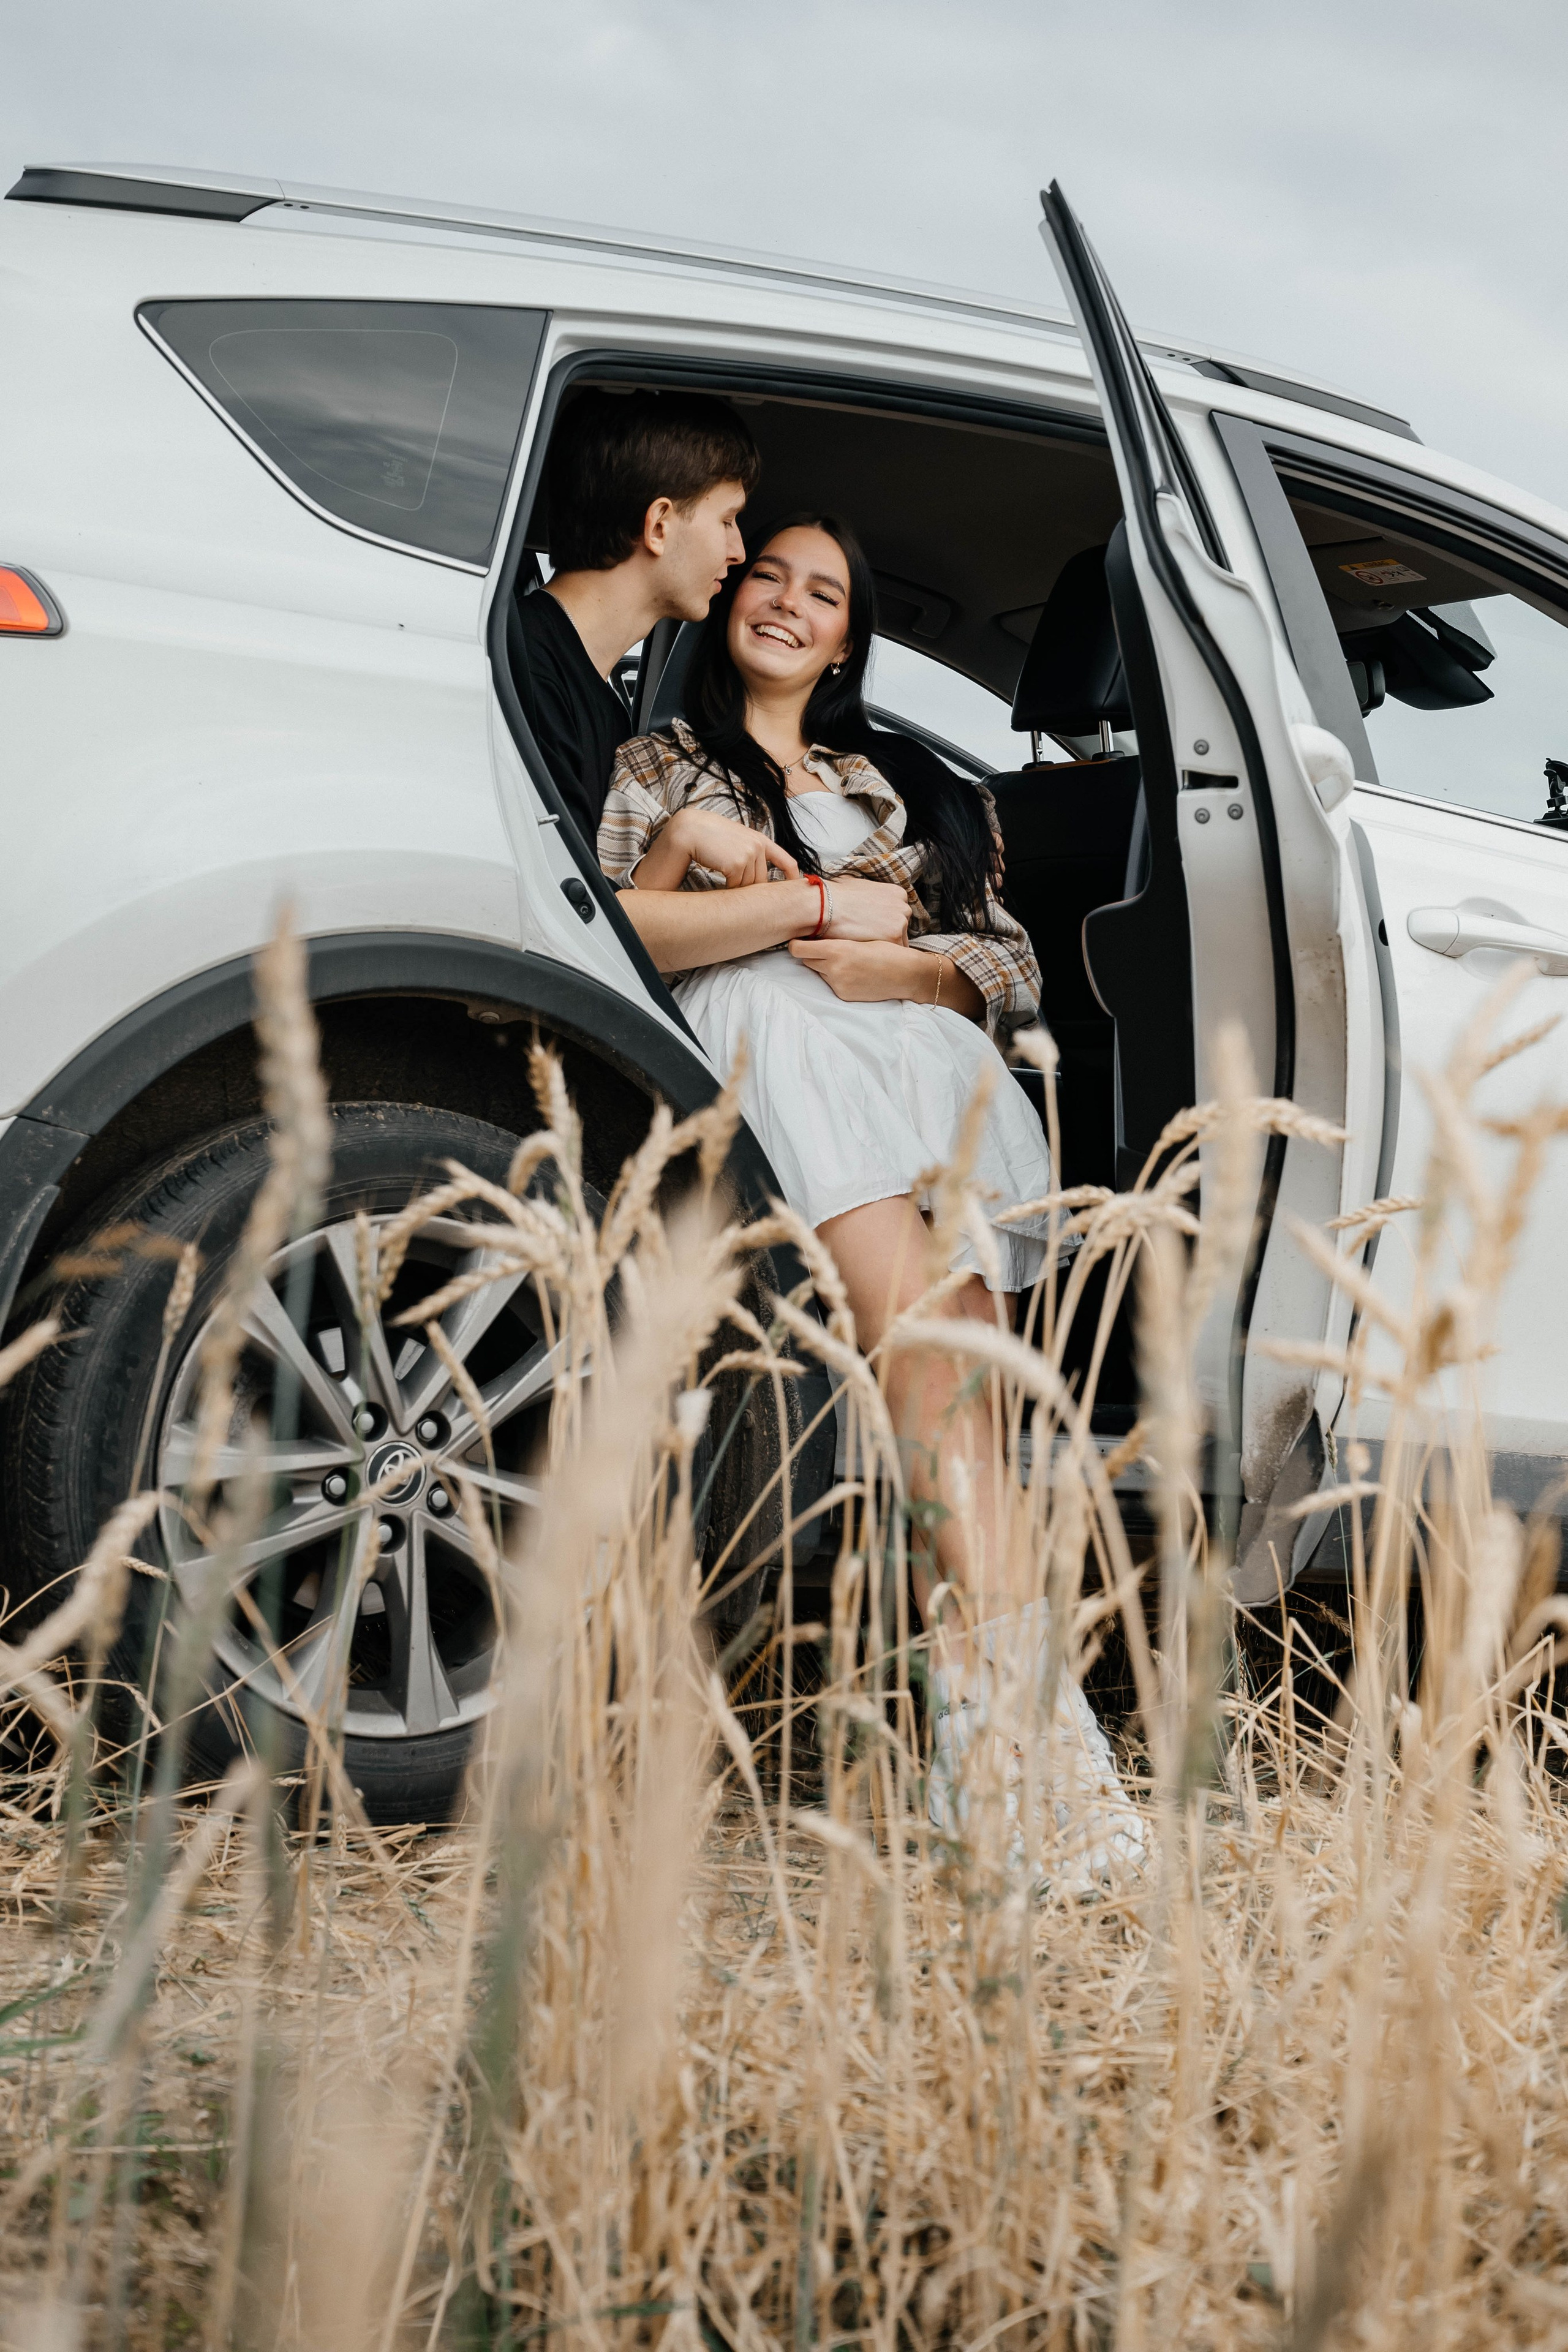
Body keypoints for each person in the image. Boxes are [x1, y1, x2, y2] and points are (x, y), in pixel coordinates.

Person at [598, 514, 1145, 1884]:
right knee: (928, 1382)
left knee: (962, 1405)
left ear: (848, 636)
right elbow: (611, 922)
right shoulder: (659, 761)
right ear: (726, 598)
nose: (786, 602)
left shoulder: (912, 785)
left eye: (821, 592)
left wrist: (903, 963)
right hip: (782, 1048)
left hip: (927, 1063)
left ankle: (1015, 1777)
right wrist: (799, 906)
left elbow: (1007, 973)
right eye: (766, 575)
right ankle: (1031, 1792)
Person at [514, 389, 761, 845]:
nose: (738, 551)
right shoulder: (523, 669)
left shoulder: (603, 707)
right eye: (727, 521)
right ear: (660, 526)